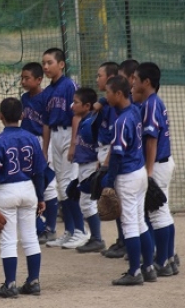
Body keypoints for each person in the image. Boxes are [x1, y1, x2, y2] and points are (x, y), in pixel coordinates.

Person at [0, 97, 48, 298]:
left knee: (8, 240)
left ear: (0, 116)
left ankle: (10, 285)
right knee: (30, 237)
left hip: (6, 192)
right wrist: (41, 197)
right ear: (22, 115)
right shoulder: (32, 139)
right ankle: (33, 282)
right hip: (28, 189)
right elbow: (39, 172)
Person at [104, 76, 156, 285]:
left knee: (129, 225)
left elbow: (117, 156)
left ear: (118, 94)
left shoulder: (121, 121)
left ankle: (134, 272)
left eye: (108, 92)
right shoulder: (134, 110)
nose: (106, 96)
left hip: (127, 176)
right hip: (140, 172)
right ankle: (148, 267)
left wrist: (109, 182)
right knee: (140, 221)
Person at [131, 62, 178, 276]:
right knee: (163, 213)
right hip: (162, 163)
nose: (133, 82)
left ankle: (162, 262)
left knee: (157, 215)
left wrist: (148, 173)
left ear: (147, 82)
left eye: (136, 79)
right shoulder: (155, 102)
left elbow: (151, 141)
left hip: (156, 165)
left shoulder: (150, 104)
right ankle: (169, 258)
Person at [41, 48, 88, 249]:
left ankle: (81, 231)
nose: (45, 67)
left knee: (69, 184)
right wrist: (44, 150)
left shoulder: (69, 85)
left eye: (49, 62)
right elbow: (45, 123)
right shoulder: (47, 92)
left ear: (61, 64)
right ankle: (69, 231)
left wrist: (75, 143)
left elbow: (77, 115)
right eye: (44, 63)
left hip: (69, 133)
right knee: (61, 186)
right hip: (55, 136)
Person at [20, 62, 59, 244]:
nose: (23, 81)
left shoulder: (45, 97)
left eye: (27, 78)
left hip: (42, 141)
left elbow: (46, 125)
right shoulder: (24, 98)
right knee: (30, 183)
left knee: (48, 183)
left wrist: (44, 150)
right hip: (27, 142)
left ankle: (51, 228)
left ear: (38, 80)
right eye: (22, 78)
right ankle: (39, 227)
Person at [94, 61, 126, 259]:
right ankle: (122, 240)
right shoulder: (107, 103)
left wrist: (106, 164)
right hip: (104, 151)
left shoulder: (117, 106)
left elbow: (116, 140)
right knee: (114, 201)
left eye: (100, 75)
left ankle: (125, 241)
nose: (97, 79)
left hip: (113, 153)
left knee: (117, 200)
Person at [69, 87, 105, 253]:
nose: (72, 105)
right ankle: (94, 237)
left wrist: (99, 163)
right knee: (81, 199)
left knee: (87, 203)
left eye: (76, 102)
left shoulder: (91, 123)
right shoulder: (84, 120)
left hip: (91, 165)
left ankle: (97, 239)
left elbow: (98, 145)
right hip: (83, 166)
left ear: (87, 106)